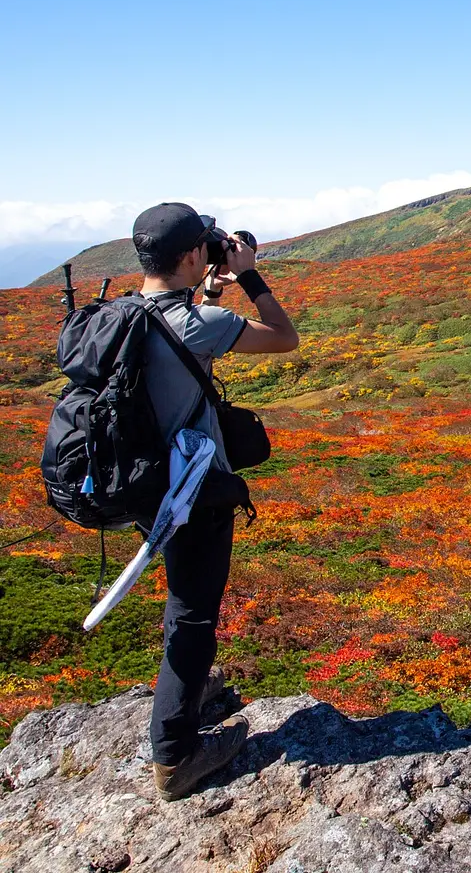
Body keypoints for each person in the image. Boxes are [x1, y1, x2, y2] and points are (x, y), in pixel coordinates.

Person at [130, 202, 300, 800]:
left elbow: (182, 348)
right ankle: (175, 757)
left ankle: (193, 693)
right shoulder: (193, 322)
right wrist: (250, 275)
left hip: (143, 483)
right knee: (194, 610)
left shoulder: (123, 315)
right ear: (191, 254)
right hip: (193, 488)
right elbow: (284, 337)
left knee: (184, 592)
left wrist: (207, 291)